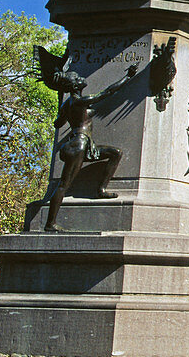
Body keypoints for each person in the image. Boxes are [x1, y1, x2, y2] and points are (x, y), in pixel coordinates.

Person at [46, 64, 137, 231]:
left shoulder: (68, 104)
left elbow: (57, 123)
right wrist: (128, 77)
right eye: (77, 78)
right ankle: (50, 224)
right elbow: (107, 93)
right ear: (74, 86)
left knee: (115, 153)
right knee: (64, 185)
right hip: (78, 145)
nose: (81, 78)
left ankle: (100, 189)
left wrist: (67, 113)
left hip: (82, 143)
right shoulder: (80, 101)